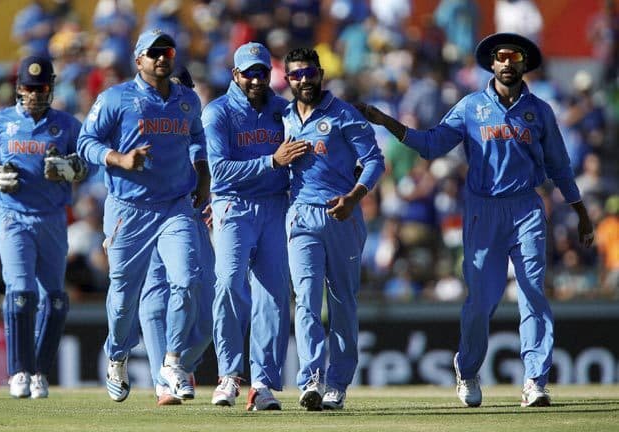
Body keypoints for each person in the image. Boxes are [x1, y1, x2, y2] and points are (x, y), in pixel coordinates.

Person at [356, 32, 595, 408]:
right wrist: (387, 122)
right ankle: (467, 370)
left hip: (527, 207)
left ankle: (535, 380)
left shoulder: (540, 111)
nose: (508, 63)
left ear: (524, 64)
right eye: (502, 56)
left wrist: (580, 210)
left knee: (533, 292)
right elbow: (432, 145)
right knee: (482, 300)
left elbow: (560, 166)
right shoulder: (470, 107)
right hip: (484, 209)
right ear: (492, 63)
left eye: (515, 57)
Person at [76, 29, 209, 403]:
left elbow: (197, 138)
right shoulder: (115, 98)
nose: (163, 57)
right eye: (154, 52)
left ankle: (172, 362)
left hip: (175, 206)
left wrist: (202, 175)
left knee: (187, 279)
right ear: (139, 60)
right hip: (129, 210)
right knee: (123, 298)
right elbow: (85, 142)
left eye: (168, 51)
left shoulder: (187, 99)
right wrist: (119, 159)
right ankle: (117, 355)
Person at [0, 55, 87, 398]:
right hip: (13, 216)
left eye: (42, 87)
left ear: (51, 88)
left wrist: (71, 168)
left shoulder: (66, 124)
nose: (35, 94)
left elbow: (89, 161)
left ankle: (39, 373)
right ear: (19, 88)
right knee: (21, 292)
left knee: (56, 299)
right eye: (30, 88)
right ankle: (19, 371)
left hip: (52, 218)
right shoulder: (0, 121)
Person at [202, 42, 310, 411]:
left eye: (262, 72)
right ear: (235, 74)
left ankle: (262, 384)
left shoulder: (283, 110)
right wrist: (271, 162)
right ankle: (229, 375)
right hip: (233, 206)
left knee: (274, 296)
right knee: (229, 283)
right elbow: (219, 171)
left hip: (276, 206)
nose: (255, 79)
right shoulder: (218, 112)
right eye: (248, 73)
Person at [282, 47, 385, 411]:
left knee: (342, 302)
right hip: (301, 216)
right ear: (287, 79)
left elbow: (374, 161)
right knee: (307, 299)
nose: (304, 80)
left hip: (342, 215)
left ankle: (337, 383)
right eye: (296, 75)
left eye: (309, 73)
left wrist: (354, 197)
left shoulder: (344, 114)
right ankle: (311, 377)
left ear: (321, 74)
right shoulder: (283, 116)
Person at [137, 71, 214, 406]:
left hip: (193, 220)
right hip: (152, 219)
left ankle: (181, 365)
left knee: (207, 312)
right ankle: (164, 383)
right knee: (155, 302)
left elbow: (217, 166)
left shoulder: (199, 125)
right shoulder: (143, 121)